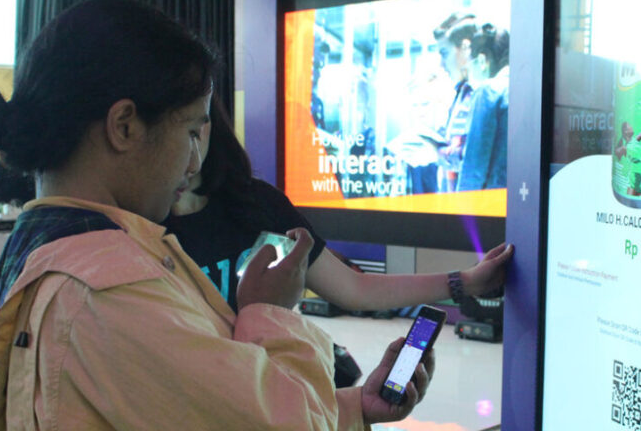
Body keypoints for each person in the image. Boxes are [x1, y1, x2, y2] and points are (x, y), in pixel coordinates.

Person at [0, 0, 433, 431]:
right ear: (125, 127)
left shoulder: (62, 255)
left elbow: (210, 428)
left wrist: (356, 409)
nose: (194, 160)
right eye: (190, 132)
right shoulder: (107, 293)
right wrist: (270, 313)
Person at [164, 95, 513, 319]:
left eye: (197, 128)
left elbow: (353, 288)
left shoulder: (255, 203)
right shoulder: (131, 229)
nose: (190, 157)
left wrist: (464, 282)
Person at [457, 23, 510, 192]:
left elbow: (474, 167)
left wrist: (461, 215)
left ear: (481, 61)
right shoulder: (528, 88)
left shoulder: (488, 91)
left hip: (491, 205)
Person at [433, 12, 477, 193]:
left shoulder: (478, 94)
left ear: (465, 49)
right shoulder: (461, 92)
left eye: (445, 53)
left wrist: (442, 153)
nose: (442, 65)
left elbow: (473, 156)